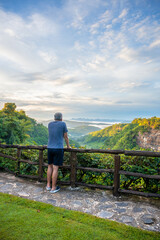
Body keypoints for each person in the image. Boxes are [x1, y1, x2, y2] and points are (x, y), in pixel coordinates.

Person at [46, 112, 71, 193]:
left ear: (54, 117)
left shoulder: (50, 124)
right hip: (58, 148)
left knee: (49, 166)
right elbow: (65, 137)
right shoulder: (63, 124)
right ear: (61, 118)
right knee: (55, 168)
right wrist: (68, 146)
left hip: (49, 147)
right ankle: (53, 188)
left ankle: (48, 185)